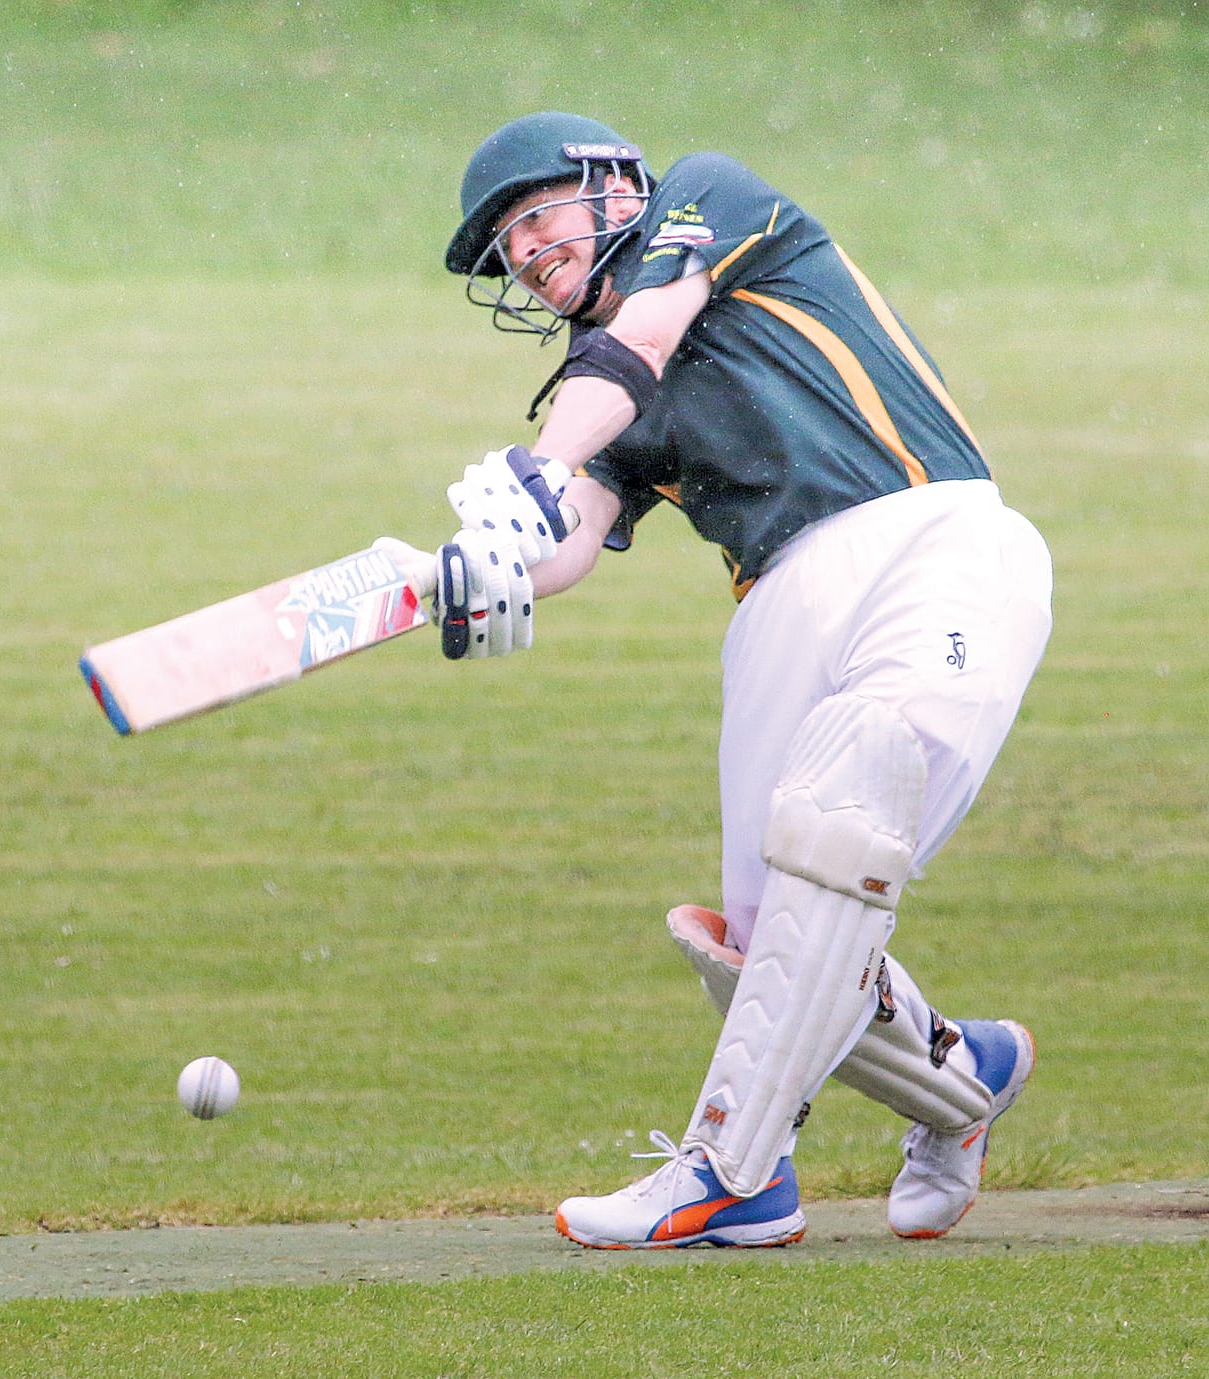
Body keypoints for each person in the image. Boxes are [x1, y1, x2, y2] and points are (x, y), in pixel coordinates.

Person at [429, 111, 1053, 1249]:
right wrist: (488, 565)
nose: (522, 254)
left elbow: (651, 332)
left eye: (532, 217)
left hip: (929, 538)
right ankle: (968, 1074)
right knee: (761, 943)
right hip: (774, 607)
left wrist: (539, 464)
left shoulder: (706, 201)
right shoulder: (600, 397)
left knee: (839, 824)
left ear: (612, 185)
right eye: (504, 248)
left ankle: (728, 1165)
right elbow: (570, 533)